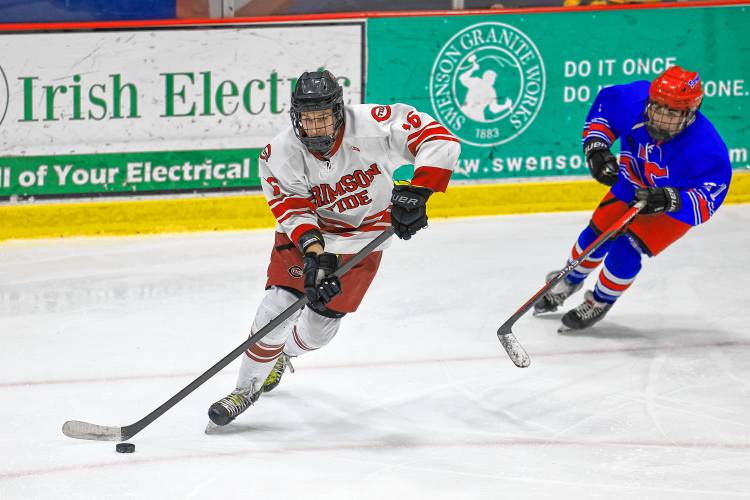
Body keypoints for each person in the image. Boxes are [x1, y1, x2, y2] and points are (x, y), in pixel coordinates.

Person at [207, 70, 460, 428]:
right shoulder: (278, 154)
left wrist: (419, 191)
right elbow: (292, 210)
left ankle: (284, 356)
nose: (314, 128)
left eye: (322, 117)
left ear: (338, 112)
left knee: (318, 331)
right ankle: (246, 388)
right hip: (308, 238)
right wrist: (315, 256)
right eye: (306, 120)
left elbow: (437, 138)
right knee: (276, 307)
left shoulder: (374, 124)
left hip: (364, 238)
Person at [534, 66, 732, 331]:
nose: (661, 117)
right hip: (631, 184)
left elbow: (708, 198)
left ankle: (600, 301)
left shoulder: (706, 146)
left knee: (625, 249)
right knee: (595, 235)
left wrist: (669, 199)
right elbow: (604, 112)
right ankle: (569, 279)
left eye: (672, 112)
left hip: (671, 208)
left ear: (690, 113)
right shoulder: (634, 100)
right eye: (658, 107)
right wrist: (597, 148)